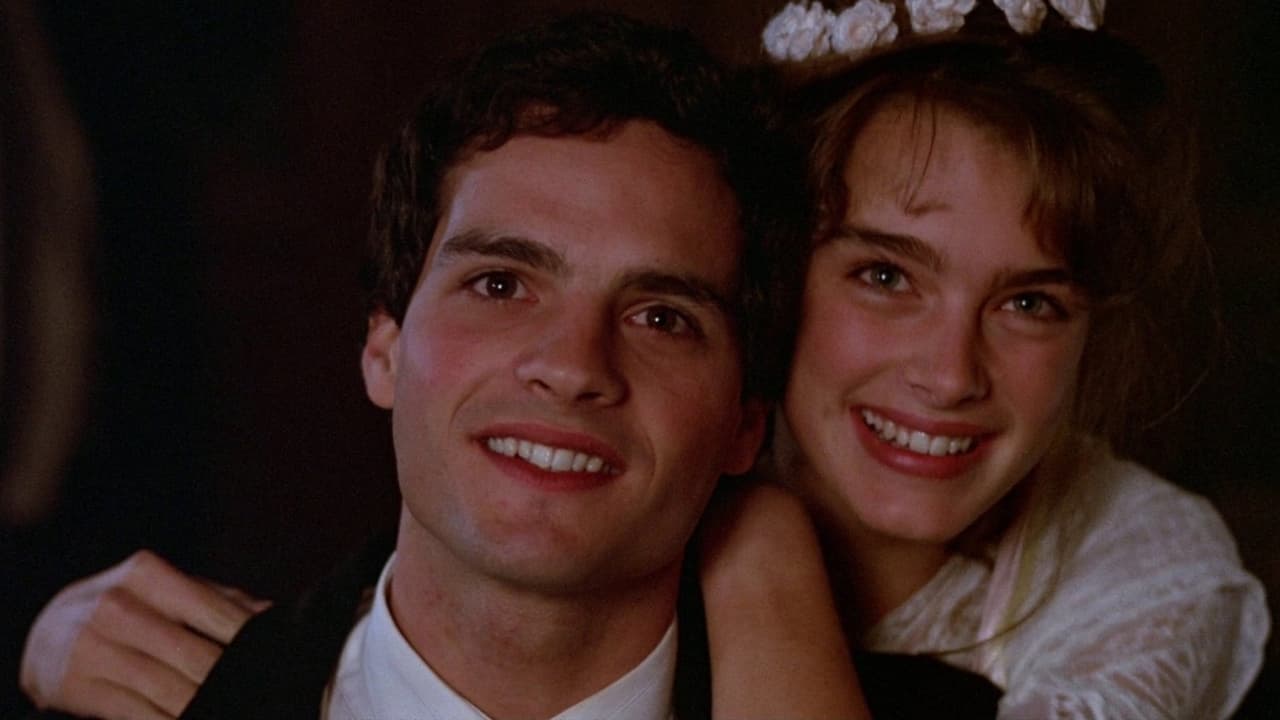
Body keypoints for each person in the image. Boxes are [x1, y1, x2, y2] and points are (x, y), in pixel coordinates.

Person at [702, 2, 1269, 718]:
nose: (950, 377)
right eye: (886, 276)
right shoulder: (650, 477)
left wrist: (762, 558)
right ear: (776, 272)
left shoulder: (1145, 571)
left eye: (1028, 303)